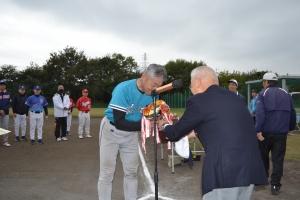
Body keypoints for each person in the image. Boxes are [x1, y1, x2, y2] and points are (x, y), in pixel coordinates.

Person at [158, 66, 268, 200]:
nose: (191, 90)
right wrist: (198, 131)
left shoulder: (198, 100)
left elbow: (175, 133)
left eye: (191, 85)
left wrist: (164, 124)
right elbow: (224, 125)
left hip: (225, 173)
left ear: (198, 81)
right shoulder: (236, 98)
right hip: (250, 169)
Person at [98, 64, 167, 200]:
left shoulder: (153, 94)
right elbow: (119, 122)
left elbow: (149, 115)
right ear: (144, 76)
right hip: (111, 131)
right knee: (107, 173)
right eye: (154, 84)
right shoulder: (123, 89)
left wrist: (158, 120)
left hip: (130, 134)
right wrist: (145, 126)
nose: (156, 89)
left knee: (131, 172)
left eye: (158, 85)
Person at [256, 72, 296, 195]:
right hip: (281, 133)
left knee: (263, 156)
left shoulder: (263, 94)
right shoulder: (286, 94)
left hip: (266, 133)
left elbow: (260, 114)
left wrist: (258, 130)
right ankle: (275, 184)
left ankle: (263, 178)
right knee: (278, 159)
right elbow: (292, 112)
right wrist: (290, 127)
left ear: (266, 82)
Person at [0, 79, 11, 147]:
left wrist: (3, 110)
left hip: (5, 113)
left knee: (5, 127)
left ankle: (5, 140)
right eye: (1, 85)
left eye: (3, 85)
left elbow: (9, 103)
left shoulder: (8, 94)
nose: (2, 86)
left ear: (5, 86)